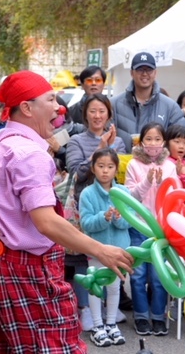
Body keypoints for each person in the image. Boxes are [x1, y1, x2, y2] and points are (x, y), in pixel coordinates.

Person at [0, 71, 133, 354]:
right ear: (27, 108)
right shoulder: (30, 153)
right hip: (31, 269)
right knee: (55, 347)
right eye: (50, 99)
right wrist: (101, 250)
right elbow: (45, 221)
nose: (58, 107)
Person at [125, 122, 181, 336]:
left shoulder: (170, 165)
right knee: (138, 275)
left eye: (158, 139)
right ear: (142, 141)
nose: (153, 143)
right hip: (138, 225)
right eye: (149, 138)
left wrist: (163, 180)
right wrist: (148, 181)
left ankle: (158, 316)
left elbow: (175, 194)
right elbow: (131, 196)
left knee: (159, 276)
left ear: (164, 141)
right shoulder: (133, 164)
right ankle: (141, 316)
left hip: (160, 228)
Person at [79, 148, 130, 347]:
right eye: (101, 166)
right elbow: (86, 224)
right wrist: (104, 217)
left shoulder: (124, 192)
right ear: (93, 168)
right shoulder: (87, 194)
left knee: (115, 287)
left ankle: (111, 324)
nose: (105, 171)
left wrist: (117, 218)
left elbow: (130, 222)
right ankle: (97, 326)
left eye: (110, 167)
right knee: (96, 287)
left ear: (116, 169)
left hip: (119, 248)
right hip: (96, 249)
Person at [111, 52, 185, 152]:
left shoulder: (170, 107)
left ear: (155, 73)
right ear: (131, 73)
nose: (145, 74)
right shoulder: (114, 105)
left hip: (159, 166)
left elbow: (181, 139)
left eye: (149, 69)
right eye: (140, 69)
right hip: (123, 165)